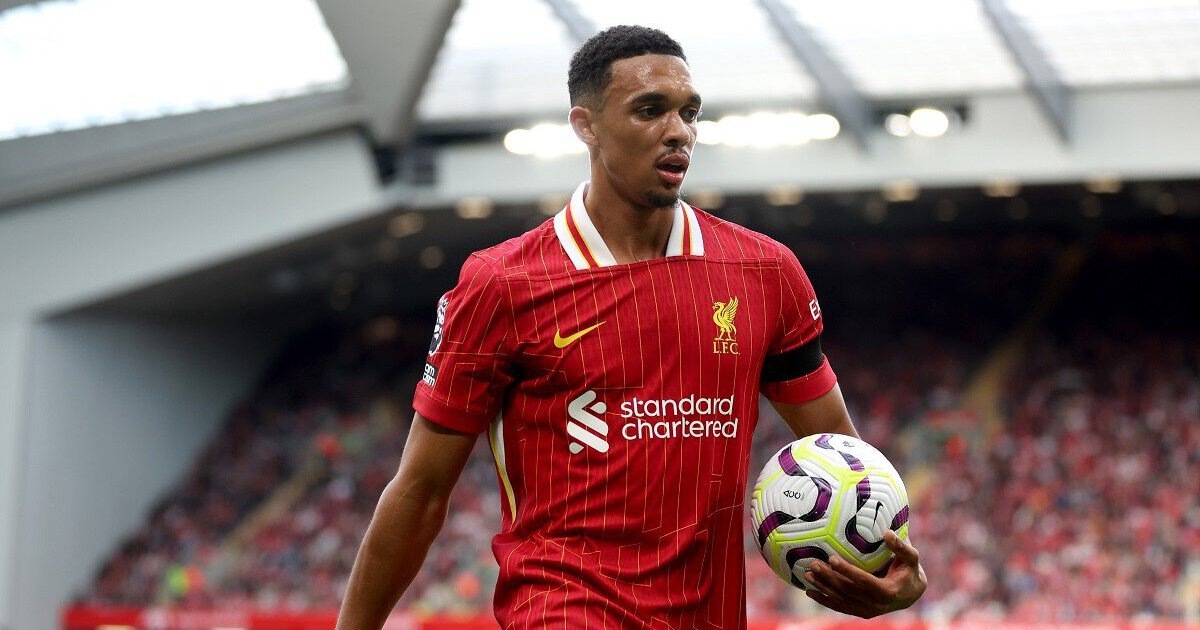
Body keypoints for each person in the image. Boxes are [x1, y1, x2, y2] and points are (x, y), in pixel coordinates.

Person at [337, 25, 926, 629]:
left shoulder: (765, 273)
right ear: (585, 125)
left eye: (689, 113)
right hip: (564, 610)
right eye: (650, 110)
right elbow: (420, 490)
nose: (679, 132)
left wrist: (892, 566)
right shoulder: (503, 283)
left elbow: (842, 458)